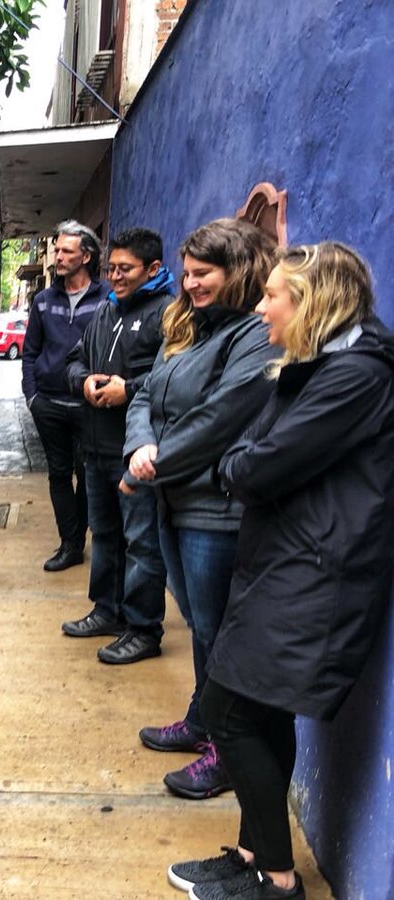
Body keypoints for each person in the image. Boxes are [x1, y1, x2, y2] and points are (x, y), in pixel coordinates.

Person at [167, 243, 394, 900]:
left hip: (314, 578)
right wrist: (243, 464)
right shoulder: (317, 367)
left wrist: (238, 468)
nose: (261, 308)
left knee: (227, 713)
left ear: (313, 304)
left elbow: (256, 465)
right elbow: (254, 448)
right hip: (286, 566)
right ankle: (252, 857)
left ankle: (276, 876)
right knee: (259, 718)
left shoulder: (355, 377)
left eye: (273, 296)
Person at [122, 218, 279, 800]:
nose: (190, 285)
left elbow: (221, 419)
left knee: (219, 630)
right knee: (199, 623)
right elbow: (143, 394)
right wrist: (140, 448)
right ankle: (202, 717)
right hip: (172, 498)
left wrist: (152, 464)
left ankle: (225, 748)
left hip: (217, 509)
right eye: (185, 274)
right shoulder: (184, 326)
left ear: (237, 271)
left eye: (203, 273)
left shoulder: (255, 336)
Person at [62, 228, 172, 664]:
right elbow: (73, 361)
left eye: (124, 269)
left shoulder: (168, 315)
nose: (114, 277)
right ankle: (106, 610)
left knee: (141, 543)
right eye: (111, 269)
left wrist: (131, 389)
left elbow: (174, 377)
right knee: (104, 535)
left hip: (136, 453)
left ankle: (143, 628)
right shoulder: (104, 314)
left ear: (153, 269)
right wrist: (83, 381)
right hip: (96, 446)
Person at [23, 221, 110, 571]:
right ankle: (70, 544)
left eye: (65, 251)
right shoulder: (43, 301)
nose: (57, 257)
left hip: (90, 406)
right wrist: (32, 396)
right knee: (58, 475)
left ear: (85, 256)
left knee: (88, 474)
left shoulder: (107, 298)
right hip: (50, 405)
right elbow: (30, 352)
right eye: (56, 250)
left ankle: (79, 535)